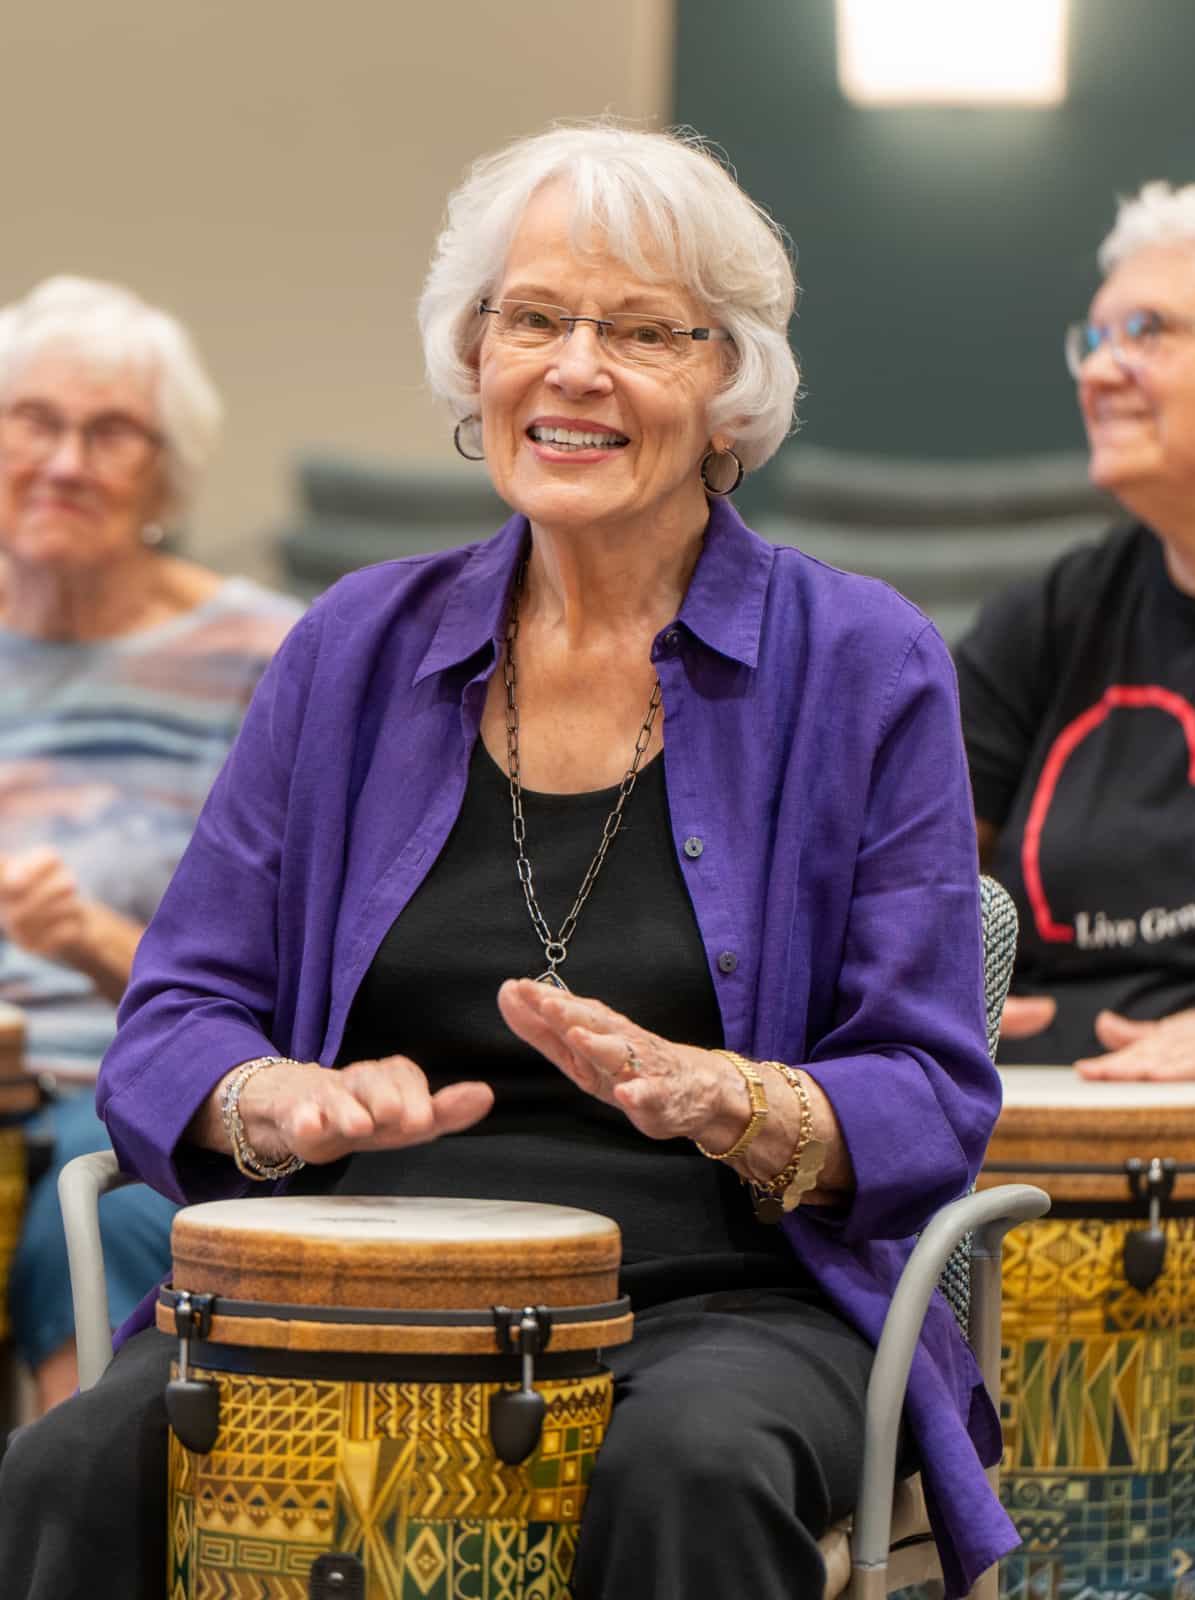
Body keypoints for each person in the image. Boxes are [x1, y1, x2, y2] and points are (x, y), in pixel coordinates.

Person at [0, 125, 1009, 1599]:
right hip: (353, 1289)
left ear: (731, 386)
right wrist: (278, 1096)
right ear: (476, 360)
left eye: (642, 329)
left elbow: (930, 1091)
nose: (575, 367)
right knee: (68, 1470)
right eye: (533, 318)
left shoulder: (862, 662)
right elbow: (173, 1020)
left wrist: (732, 1098)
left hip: (723, 1294)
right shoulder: (352, 648)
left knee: (687, 1476)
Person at [0, 276, 303, 1410]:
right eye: (34, 420)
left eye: (110, 431)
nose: (66, 460)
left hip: (128, 1070)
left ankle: (69, 1536)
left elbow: (281, 982)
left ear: (166, 476)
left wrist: (88, 937)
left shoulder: (265, 658)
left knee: (88, 1221)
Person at [957, 181, 1195, 1079]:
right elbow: (900, 868)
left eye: (1148, 333)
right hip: (1038, 1119)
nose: (1099, 372)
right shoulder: (1053, 618)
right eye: (1094, 342)